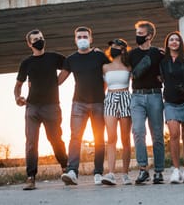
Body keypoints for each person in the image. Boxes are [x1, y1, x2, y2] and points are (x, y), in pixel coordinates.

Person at [13, 29, 68, 191]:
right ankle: (31, 177)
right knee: (31, 143)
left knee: (55, 139)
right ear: (30, 44)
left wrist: (57, 82)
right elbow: (17, 86)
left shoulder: (53, 57)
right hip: (32, 108)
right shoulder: (26, 63)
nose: (39, 41)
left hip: (52, 107)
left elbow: (69, 66)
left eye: (41, 38)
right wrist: (18, 98)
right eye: (35, 39)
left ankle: (66, 169)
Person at [59, 26, 110, 186]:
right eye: (79, 37)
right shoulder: (71, 59)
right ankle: (72, 171)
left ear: (91, 39)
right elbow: (58, 81)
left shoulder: (99, 56)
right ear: (75, 40)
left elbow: (109, 74)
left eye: (85, 36)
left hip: (98, 103)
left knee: (100, 139)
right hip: (78, 104)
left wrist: (101, 93)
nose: (82, 39)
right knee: (75, 137)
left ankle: (98, 173)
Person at [128, 20, 165, 184]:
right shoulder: (131, 54)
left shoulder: (158, 53)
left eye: (141, 34)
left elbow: (166, 71)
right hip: (136, 97)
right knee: (137, 132)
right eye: (137, 34)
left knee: (157, 135)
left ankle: (158, 171)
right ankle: (143, 170)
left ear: (149, 36)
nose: (138, 37)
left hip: (155, 95)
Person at [159, 31, 184, 184]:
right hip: (170, 102)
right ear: (167, 43)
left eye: (177, 40)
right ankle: (175, 170)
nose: (174, 42)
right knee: (174, 134)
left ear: (180, 43)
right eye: (171, 40)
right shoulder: (162, 61)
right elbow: (160, 78)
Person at [101, 38, 133, 186]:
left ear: (122, 49)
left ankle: (125, 174)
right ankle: (111, 173)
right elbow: (103, 87)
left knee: (125, 139)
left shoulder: (128, 67)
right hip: (110, 99)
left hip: (126, 98)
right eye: (111, 46)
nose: (113, 48)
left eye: (115, 46)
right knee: (111, 138)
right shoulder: (105, 67)